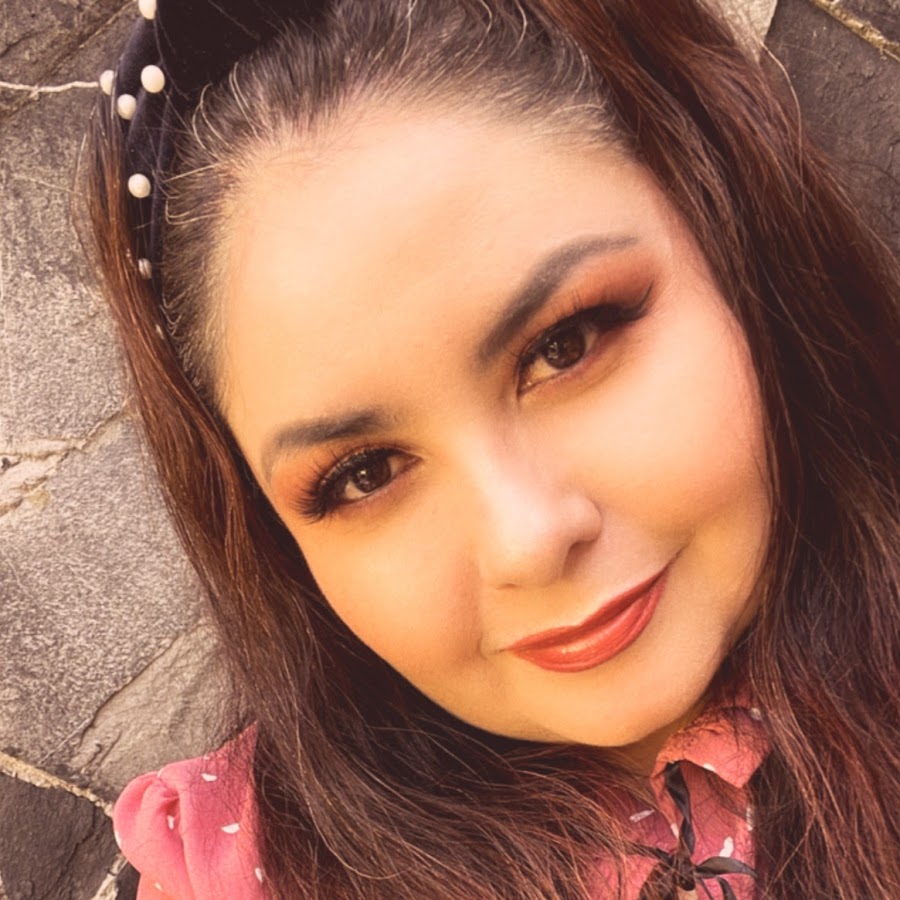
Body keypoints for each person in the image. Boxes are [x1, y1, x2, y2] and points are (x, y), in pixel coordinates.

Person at [82, 0, 899, 897]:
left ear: (738, 238)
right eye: (364, 474)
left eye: (566, 346)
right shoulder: (242, 872)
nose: (528, 538)